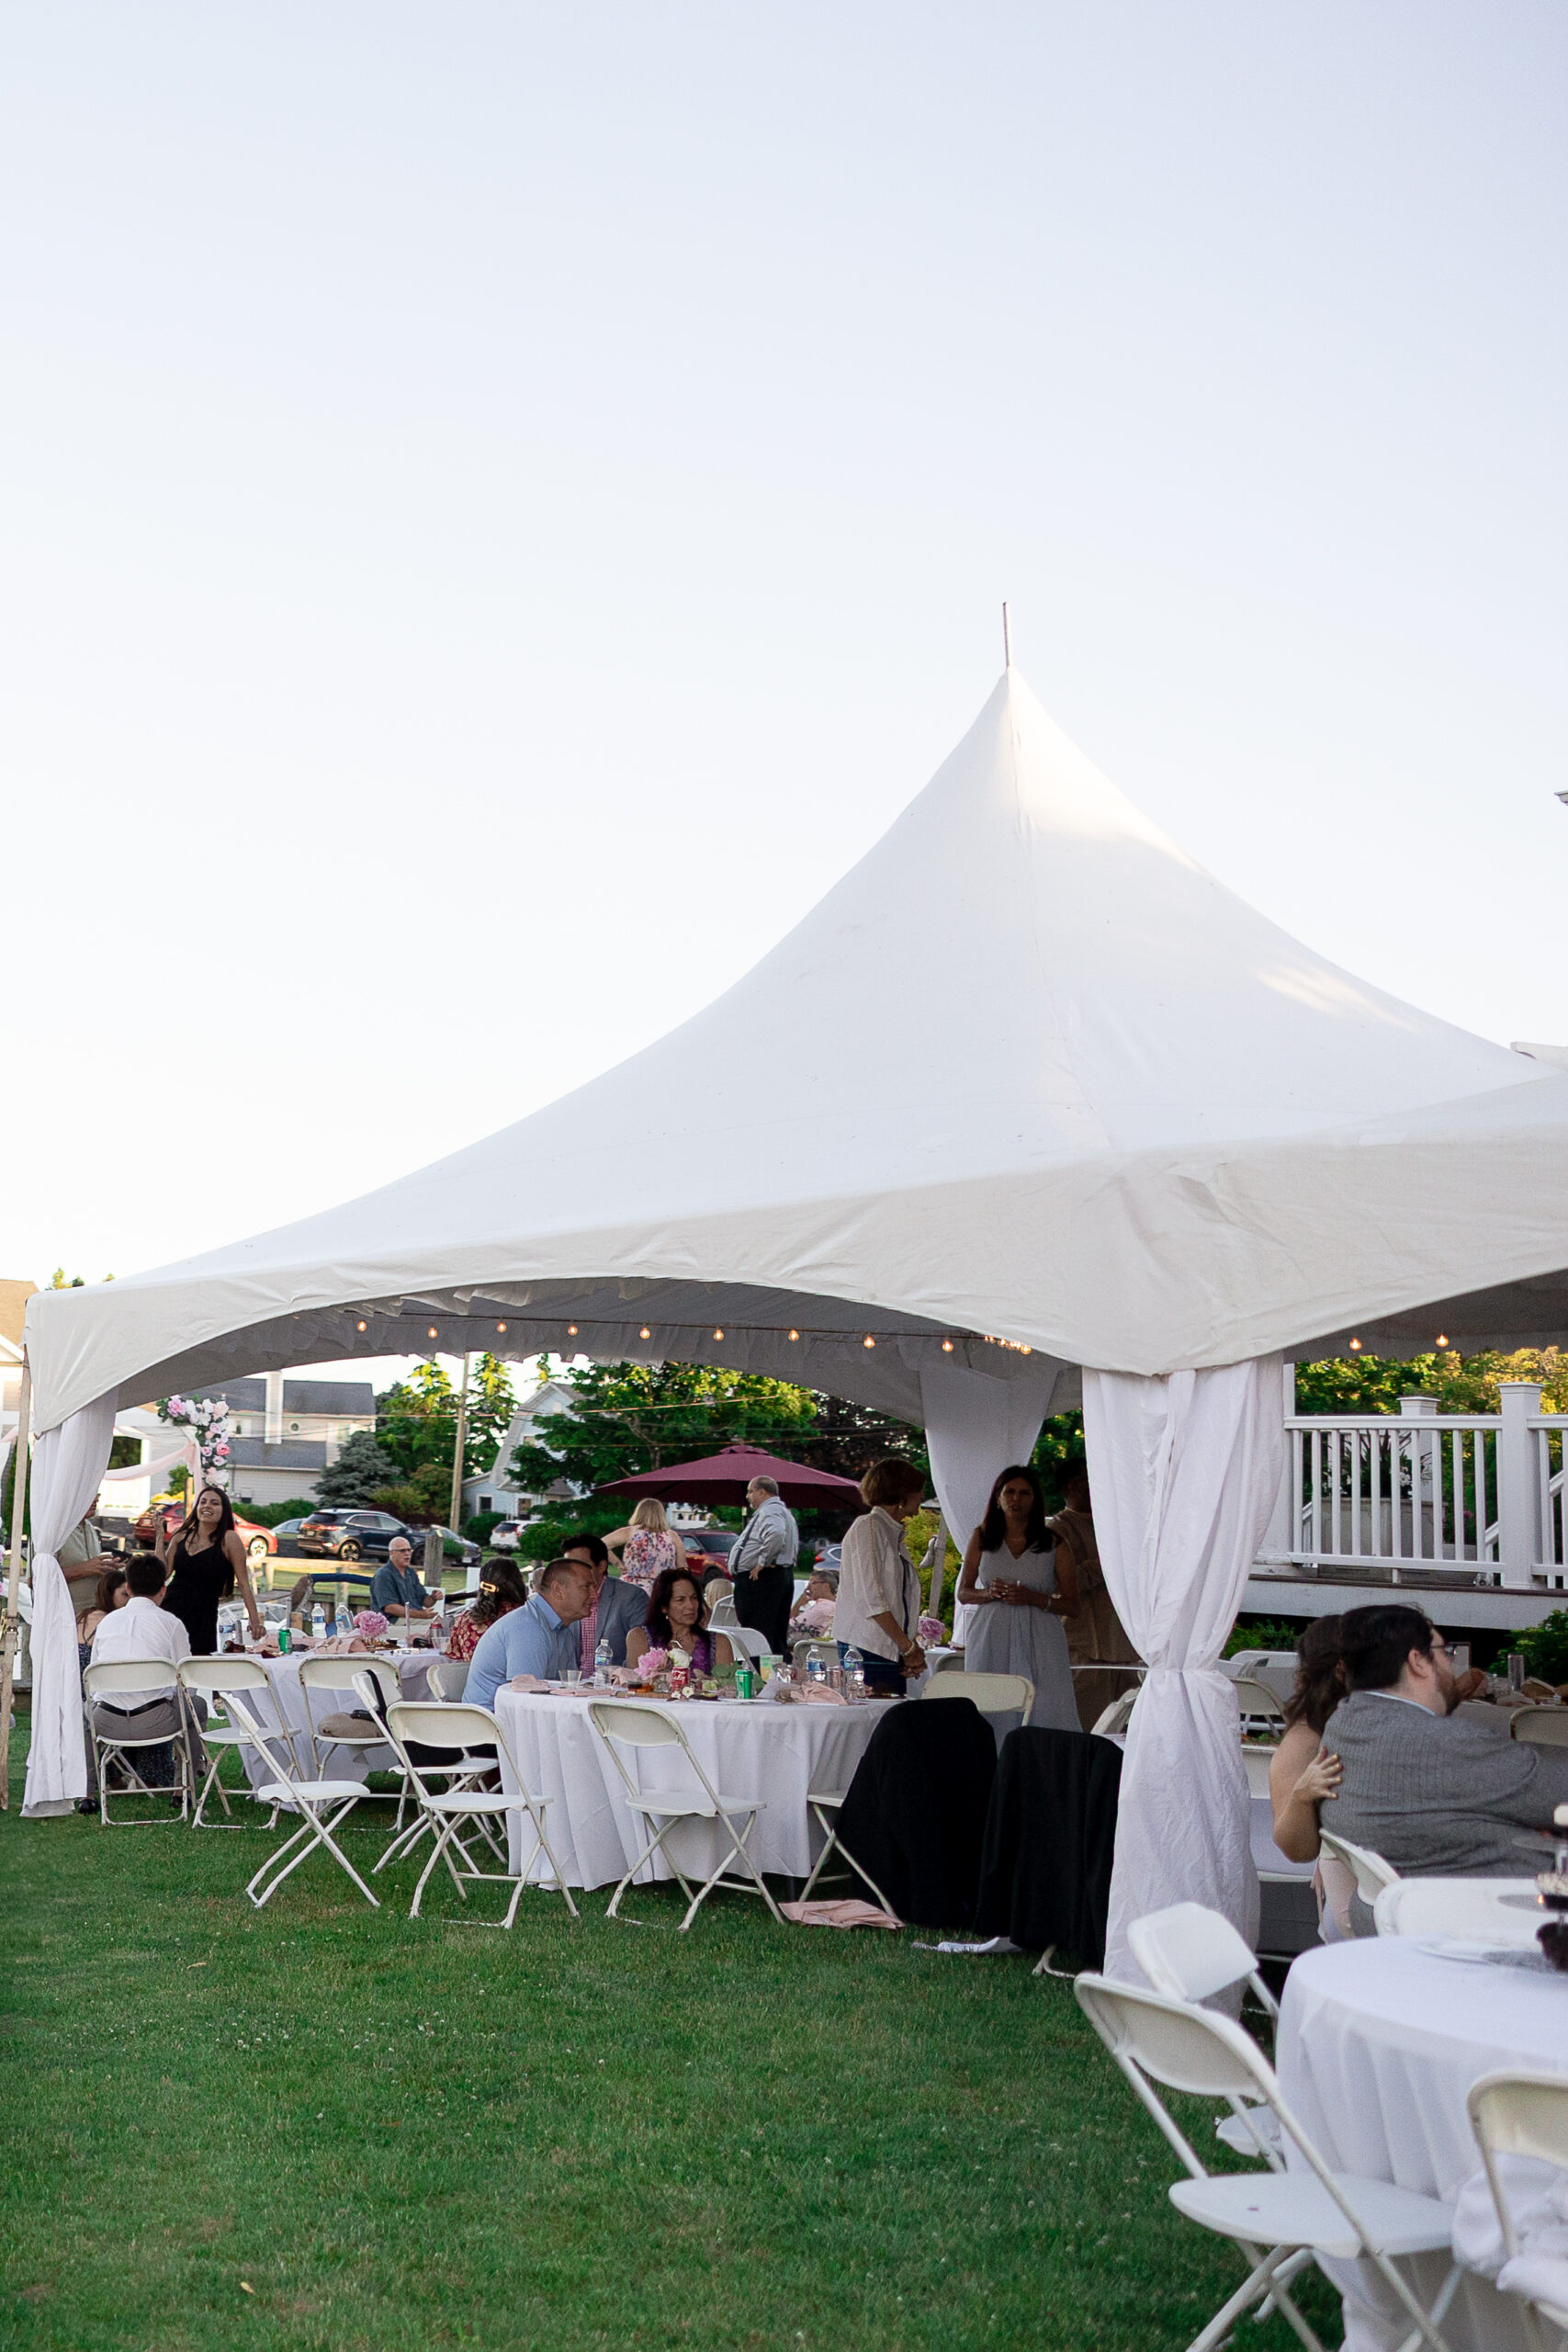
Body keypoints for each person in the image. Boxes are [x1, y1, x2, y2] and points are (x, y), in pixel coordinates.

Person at [1321, 1603, 1567, 1885]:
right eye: (1444, 1652)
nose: (1450, 1664)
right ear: (1417, 1661)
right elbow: (1560, 1795)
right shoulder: (1454, 1745)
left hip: (1393, 1913)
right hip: (1495, 1912)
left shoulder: (1342, 1724)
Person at [958, 1464, 1079, 1729]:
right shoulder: (981, 1537)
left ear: (1034, 1499)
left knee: (1045, 1705)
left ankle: (1043, 1765)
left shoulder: (1054, 1543)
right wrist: (988, 1593)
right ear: (998, 1498)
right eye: (1009, 1492)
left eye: (1024, 1493)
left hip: (1041, 1637)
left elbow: (1073, 1605)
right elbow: (964, 1592)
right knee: (990, 1703)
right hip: (992, 1633)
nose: (1016, 1499)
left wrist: (1035, 1598)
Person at [81, 1552, 208, 1805]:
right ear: (163, 1589)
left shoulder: (106, 1624)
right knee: (198, 1706)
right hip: (156, 1722)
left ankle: (89, 1792)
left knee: (83, 1711)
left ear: (128, 1587)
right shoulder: (171, 1624)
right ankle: (182, 1788)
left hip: (106, 1721)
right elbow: (186, 1680)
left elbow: (93, 1678)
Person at [1047, 1468, 1141, 1732]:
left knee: (1125, 1727)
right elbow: (1059, 1582)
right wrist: (1105, 1566)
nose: (1089, 1488)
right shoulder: (1058, 1528)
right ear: (1067, 1489)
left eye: (1092, 1480)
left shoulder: (1113, 1522)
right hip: (1087, 1645)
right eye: (1081, 1483)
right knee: (1090, 1727)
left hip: (1124, 1643)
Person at [835, 1457, 928, 1694]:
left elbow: (899, 1602)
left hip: (888, 1645)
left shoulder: (890, 1532)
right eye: (918, 1491)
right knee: (875, 1722)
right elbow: (872, 1599)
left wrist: (907, 1647)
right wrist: (907, 1648)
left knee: (891, 1721)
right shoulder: (868, 1527)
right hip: (867, 1646)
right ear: (901, 1495)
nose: (921, 1497)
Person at [465, 1557, 594, 1713]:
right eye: (586, 1587)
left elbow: (567, 1689)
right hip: (493, 1728)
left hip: (513, 1722)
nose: (594, 1594)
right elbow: (527, 1701)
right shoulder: (528, 1627)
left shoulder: (561, 1625)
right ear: (558, 1590)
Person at [152, 1485, 264, 1655]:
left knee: (196, 1666)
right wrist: (160, 1537)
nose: (207, 1506)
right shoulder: (181, 1536)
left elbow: (243, 1584)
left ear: (223, 1510)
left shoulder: (229, 1539)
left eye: (214, 1503)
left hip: (203, 1615)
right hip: (171, 1609)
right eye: (203, 1502)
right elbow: (162, 1574)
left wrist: (254, 1621)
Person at [728, 1475, 800, 1657]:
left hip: (762, 1579)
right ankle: (774, 1673)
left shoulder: (770, 1511)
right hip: (777, 1576)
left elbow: (776, 1535)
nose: (747, 1496)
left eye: (750, 1491)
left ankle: (761, 1675)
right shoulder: (782, 1511)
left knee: (757, 1634)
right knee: (773, 1635)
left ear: (762, 1492)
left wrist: (761, 1563)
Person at [558, 1532, 649, 1670]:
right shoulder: (565, 1597)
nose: (571, 1572)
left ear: (601, 1566)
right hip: (573, 1685)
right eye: (567, 1566)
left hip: (614, 1687)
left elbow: (643, 1656)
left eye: (580, 1565)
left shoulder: (631, 1597)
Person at [626, 1566, 735, 1677]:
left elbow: (729, 1688)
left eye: (694, 1598)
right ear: (664, 1606)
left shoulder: (719, 1643)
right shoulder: (640, 1637)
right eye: (680, 1600)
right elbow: (635, 1686)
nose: (690, 1606)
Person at [446, 1557, 531, 1666]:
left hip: (473, 1680)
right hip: (516, 1680)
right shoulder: (524, 1617)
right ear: (518, 1584)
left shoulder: (466, 1618)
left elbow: (453, 1654)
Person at [605, 1499, 686, 1590]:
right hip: (663, 1588)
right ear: (661, 1514)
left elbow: (600, 1544)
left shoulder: (629, 1532)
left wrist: (619, 1564)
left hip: (631, 1588)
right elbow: (682, 1566)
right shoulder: (672, 1536)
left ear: (639, 1513)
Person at [58, 1506, 118, 1629]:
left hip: (92, 1620)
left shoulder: (89, 1528)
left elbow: (92, 1567)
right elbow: (36, 1581)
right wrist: (85, 1569)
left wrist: (107, 1569)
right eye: (91, 1494)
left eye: (97, 1495)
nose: (96, 1500)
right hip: (63, 1622)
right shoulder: (55, 1529)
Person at [370, 1533, 437, 1624]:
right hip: (391, 1622)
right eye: (402, 1551)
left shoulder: (411, 1573)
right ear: (391, 1553)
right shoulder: (383, 1575)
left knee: (446, 1622)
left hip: (412, 1618)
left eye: (409, 1550)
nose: (407, 1553)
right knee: (435, 1626)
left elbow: (425, 1602)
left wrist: (433, 1597)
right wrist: (421, 1614)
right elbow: (390, 1608)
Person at [78, 1561, 130, 1649]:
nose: (130, 1600)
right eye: (125, 1594)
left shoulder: (83, 1614)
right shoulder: (109, 1620)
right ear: (109, 1593)